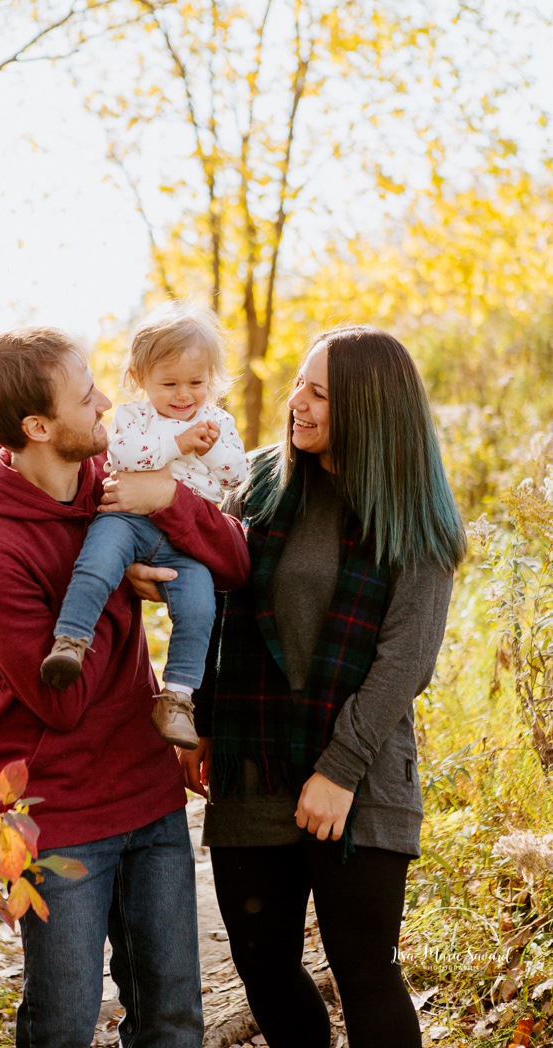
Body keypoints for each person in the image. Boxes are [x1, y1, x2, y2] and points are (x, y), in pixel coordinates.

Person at [0, 326, 249, 1048]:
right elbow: (62, 699)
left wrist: (168, 501)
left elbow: (233, 563)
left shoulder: (108, 481)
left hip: (147, 796)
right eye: (88, 397)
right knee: (62, 1025)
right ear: (38, 427)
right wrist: (115, 577)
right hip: (60, 821)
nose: (109, 403)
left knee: (172, 1021)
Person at [180, 325, 467, 1048]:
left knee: (365, 968)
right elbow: (213, 605)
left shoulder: (414, 512)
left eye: (318, 393)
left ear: (370, 409)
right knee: (263, 964)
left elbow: (407, 660)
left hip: (361, 772)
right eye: (297, 384)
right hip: (257, 758)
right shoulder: (253, 483)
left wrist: (338, 770)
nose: (295, 403)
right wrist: (200, 716)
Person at [40, 303, 249, 751]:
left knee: (198, 609)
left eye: (196, 383)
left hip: (185, 544)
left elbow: (234, 475)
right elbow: (126, 456)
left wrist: (208, 448)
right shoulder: (134, 417)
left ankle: (176, 698)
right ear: (140, 378)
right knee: (96, 562)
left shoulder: (219, 422)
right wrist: (178, 442)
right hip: (128, 520)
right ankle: (71, 640)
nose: (183, 395)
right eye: (169, 383)